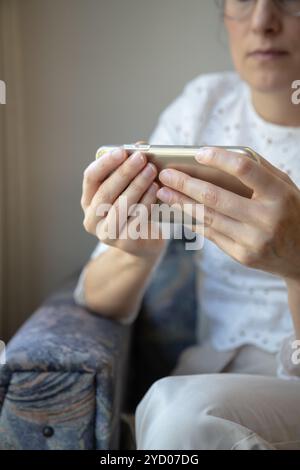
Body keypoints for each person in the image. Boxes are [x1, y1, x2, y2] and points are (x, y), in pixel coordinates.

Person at [74, 0, 300, 450]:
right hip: (210, 375)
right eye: (243, 2)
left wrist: (296, 265)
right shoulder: (205, 104)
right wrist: (136, 248)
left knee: (183, 415)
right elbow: (98, 298)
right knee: (176, 408)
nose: (263, 21)